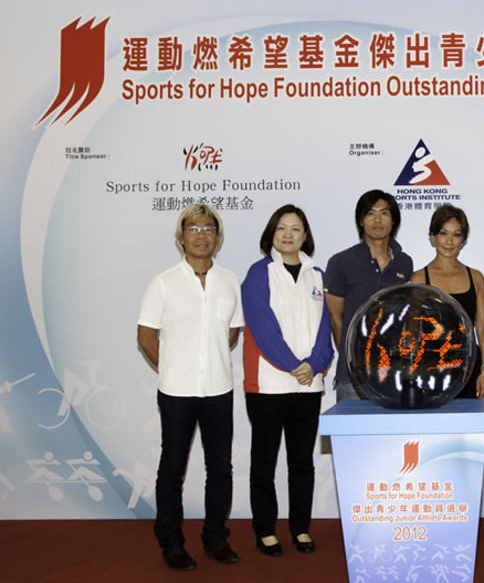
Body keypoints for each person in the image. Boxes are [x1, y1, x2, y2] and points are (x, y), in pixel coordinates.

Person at [136, 204, 243, 571]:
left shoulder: (229, 281)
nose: (201, 234)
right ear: (181, 238)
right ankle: (171, 543)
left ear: (218, 236)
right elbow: (147, 337)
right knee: (172, 469)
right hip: (176, 392)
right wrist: (176, 367)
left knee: (221, 469)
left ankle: (215, 538)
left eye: (209, 227)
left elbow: (231, 332)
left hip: (218, 388)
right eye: (193, 228)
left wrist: (204, 359)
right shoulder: (162, 282)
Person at [241, 205, 334, 557]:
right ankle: (265, 529)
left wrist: (316, 363)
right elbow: (262, 327)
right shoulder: (259, 273)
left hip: (308, 386)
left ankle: (301, 528)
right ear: (272, 233)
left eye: (296, 229)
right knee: (264, 460)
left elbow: (325, 331)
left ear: (305, 235)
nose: (288, 235)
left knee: (302, 462)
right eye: (281, 228)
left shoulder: (317, 275)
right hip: (269, 384)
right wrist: (294, 364)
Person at [324, 190, 413, 401]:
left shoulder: (404, 263)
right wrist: (354, 359)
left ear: (394, 221)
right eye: (370, 213)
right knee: (350, 434)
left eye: (384, 213)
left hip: (394, 376)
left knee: (392, 435)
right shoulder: (340, 262)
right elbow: (336, 320)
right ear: (361, 220)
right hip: (352, 378)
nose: (378, 220)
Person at [410, 204, 484, 398]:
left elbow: (483, 327)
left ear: (463, 239)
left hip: (469, 368)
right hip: (430, 371)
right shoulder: (418, 279)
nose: (449, 241)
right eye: (443, 233)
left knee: (471, 428)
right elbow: (412, 331)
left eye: (456, 234)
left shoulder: (476, 277)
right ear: (432, 236)